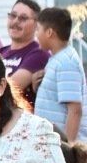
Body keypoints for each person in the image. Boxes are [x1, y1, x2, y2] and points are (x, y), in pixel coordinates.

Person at [34, 8, 85, 147]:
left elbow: (75, 111)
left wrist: (68, 150)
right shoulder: (57, 59)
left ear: (49, 32)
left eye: (38, 29)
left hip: (62, 147)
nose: (36, 34)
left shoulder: (66, 62)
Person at [1, 0, 48, 101]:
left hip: (21, 115)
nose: (15, 21)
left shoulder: (39, 54)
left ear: (37, 25)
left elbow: (9, 89)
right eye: (13, 16)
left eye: (23, 18)